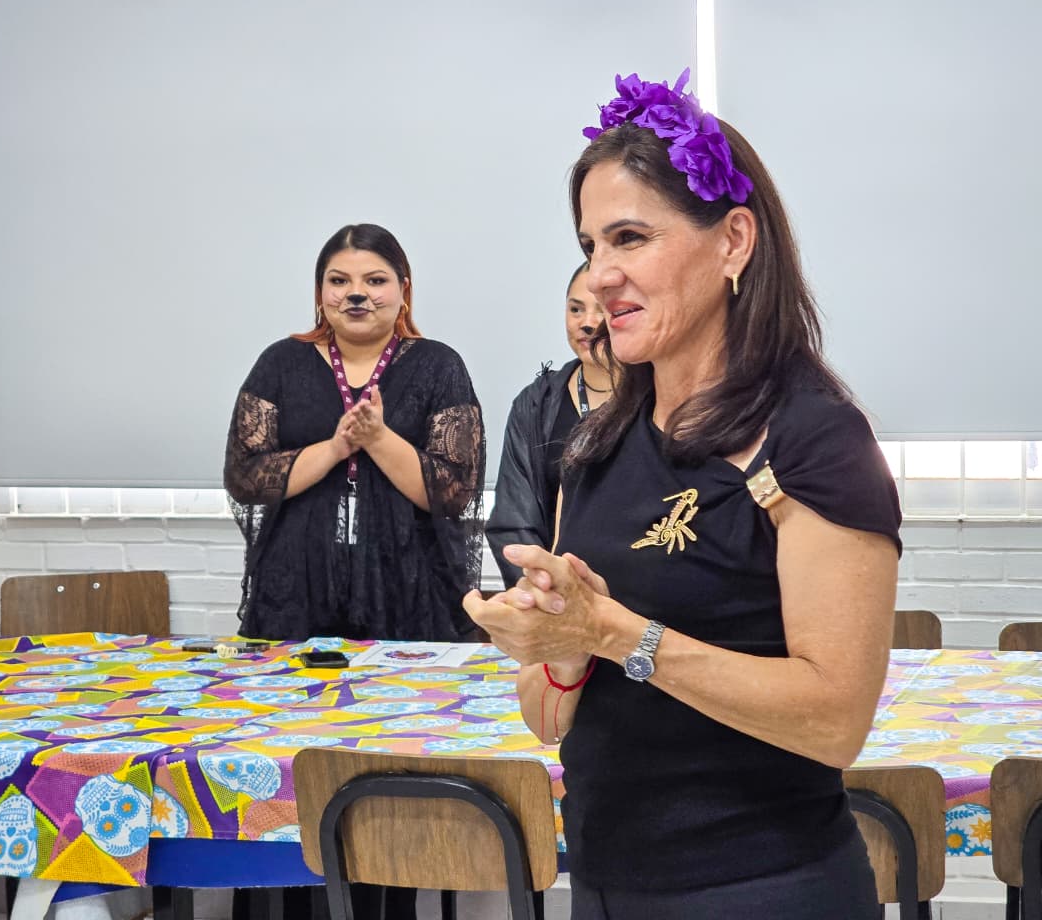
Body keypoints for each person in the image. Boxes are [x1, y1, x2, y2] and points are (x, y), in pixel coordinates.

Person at [463, 71, 901, 918]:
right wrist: (558, 645)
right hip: (604, 884)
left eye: (630, 238)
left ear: (733, 241)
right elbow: (548, 721)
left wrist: (613, 632)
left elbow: (836, 721)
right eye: (591, 245)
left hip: (764, 891)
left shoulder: (813, 439)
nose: (600, 276)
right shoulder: (593, 445)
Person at [223, 222, 485, 644]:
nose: (356, 294)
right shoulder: (280, 363)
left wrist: (378, 439)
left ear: (403, 290)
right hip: (296, 585)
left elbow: (455, 490)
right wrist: (335, 448)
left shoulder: (439, 366)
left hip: (409, 585)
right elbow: (245, 477)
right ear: (320, 292)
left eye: (375, 281)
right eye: (339, 281)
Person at [486, 261, 616, 587]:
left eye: (602, 310)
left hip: (635, 598)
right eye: (576, 309)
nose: (587, 323)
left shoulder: (660, 397)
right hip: (551, 595)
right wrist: (548, 589)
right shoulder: (535, 404)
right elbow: (512, 521)